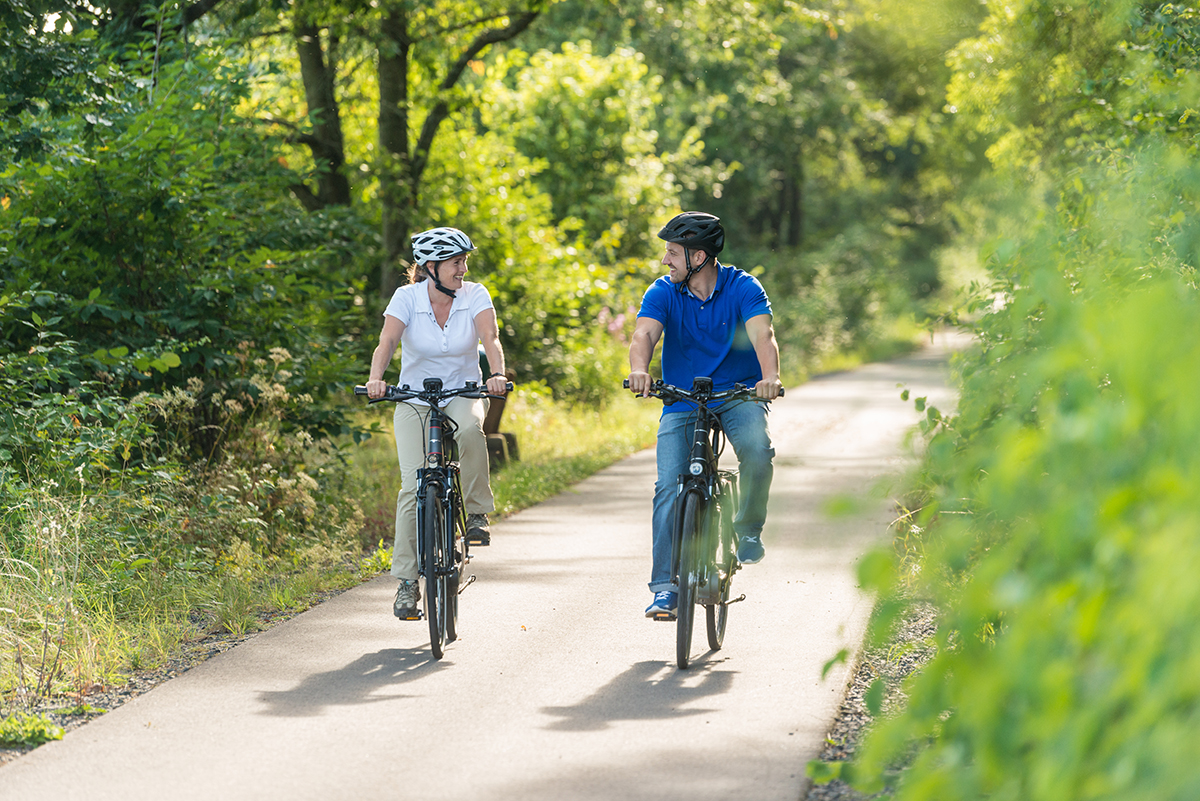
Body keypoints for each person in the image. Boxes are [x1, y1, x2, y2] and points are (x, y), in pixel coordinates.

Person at [626, 211, 783, 619]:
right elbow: (644, 334)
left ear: (699, 256)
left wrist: (770, 378)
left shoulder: (743, 287)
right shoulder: (663, 291)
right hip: (681, 398)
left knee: (758, 450)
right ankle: (665, 588)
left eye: (673, 253)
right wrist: (640, 370)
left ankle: (747, 528)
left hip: (737, 394)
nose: (666, 261)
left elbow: (763, 335)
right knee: (667, 487)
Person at [366, 226, 509, 620]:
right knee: (412, 487)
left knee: (468, 430)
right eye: (456, 262)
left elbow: (490, 338)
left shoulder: (475, 295)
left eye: (464, 261)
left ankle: (477, 513)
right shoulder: (406, 298)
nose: (463, 269)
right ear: (431, 267)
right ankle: (407, 584)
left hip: (463, 392)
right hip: (413, 398)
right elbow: (387, 342)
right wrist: (377, 379)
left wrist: (496, 373)